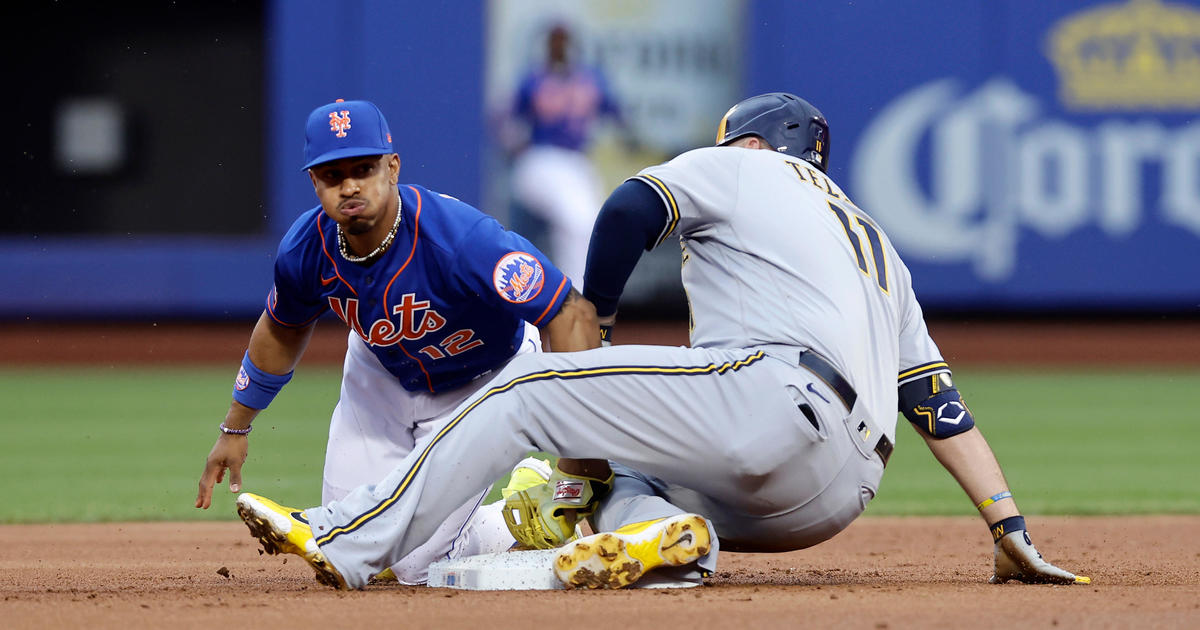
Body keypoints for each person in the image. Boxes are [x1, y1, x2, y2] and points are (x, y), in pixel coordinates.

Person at [232, 92, 1089, 590]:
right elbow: (936, 403)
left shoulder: (747, 165)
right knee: (619, 474)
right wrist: (1008, 527)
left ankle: (347, 536)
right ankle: (674, 543)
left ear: (756, 140)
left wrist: (594, 334)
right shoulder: (880, 253)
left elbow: (629, 209)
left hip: (770, 400)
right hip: (835, 497)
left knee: (528, 391)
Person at [195, 98, 599, 585]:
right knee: (355, 550)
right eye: (331, 174)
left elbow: (570, 311)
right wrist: (235, 429)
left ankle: (522, 510)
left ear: (392, 167)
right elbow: (282, 328)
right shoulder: (307, 248)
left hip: (483, 379)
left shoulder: (461, 239)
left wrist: (578, 462)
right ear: (314, 182)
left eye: (363, 168)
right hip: (379, 374)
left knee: (407, 566)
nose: (349, 185)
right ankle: (492, 514)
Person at [502, 21, 633, 287]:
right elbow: (507, 121)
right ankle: (574, 294)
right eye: (555, 41)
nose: (559, 46)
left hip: (577, 162)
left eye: (564, 41)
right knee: (577, 222)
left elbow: (617, 114)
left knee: (590, 224)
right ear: (547, 46)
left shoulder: (590, 78)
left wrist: (632, 140)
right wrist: (515, 145)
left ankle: (578, 293)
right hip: (542, 159)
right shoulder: (533, 79)